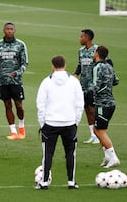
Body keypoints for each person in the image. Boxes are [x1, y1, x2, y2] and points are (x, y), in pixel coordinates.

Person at [35, 55, 84, 190]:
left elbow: (40, 104)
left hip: (50, 123)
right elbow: (80, 103)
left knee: (47, 154)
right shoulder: (74, 82)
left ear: (52, 66)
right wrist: (76, 121)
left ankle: (44, 182)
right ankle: (71, 182)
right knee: (70, 153)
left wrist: (42, 123)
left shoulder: (46, 82)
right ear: (65, 65)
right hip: (69, 123)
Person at [74, 29, 116, 144]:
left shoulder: (97, 50)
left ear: (87, 38)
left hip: (95, 87)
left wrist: (110, 78)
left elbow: (108, 63)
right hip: (84, 85)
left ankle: (98, 135)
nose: (80, 38)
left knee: (93, 109)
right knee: (87, 109)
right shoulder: (81, 51)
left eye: (81, 36)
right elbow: (80, 65)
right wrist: (76, 74)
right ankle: (93, 134)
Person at [0, 22, 28, 140]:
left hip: (16, 81)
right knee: (7, 105)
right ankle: (13, 131)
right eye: (7, 29)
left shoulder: (20, 45)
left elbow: (25, 63)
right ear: (4, 30)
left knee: (19, 105)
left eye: (11, 29)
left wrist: (17, 73)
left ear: (14, 31)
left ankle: (21, 127)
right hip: (3, 81)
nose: (9, 31)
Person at [92, 46, 120, 168]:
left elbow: (95, 86)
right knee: (97, 130)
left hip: (102, 104)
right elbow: (116, 81)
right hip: (110, 103)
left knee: (100, 131)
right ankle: (108, 156)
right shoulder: (109, 66)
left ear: (97, 53)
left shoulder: (97, 67)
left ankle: (114, 158)